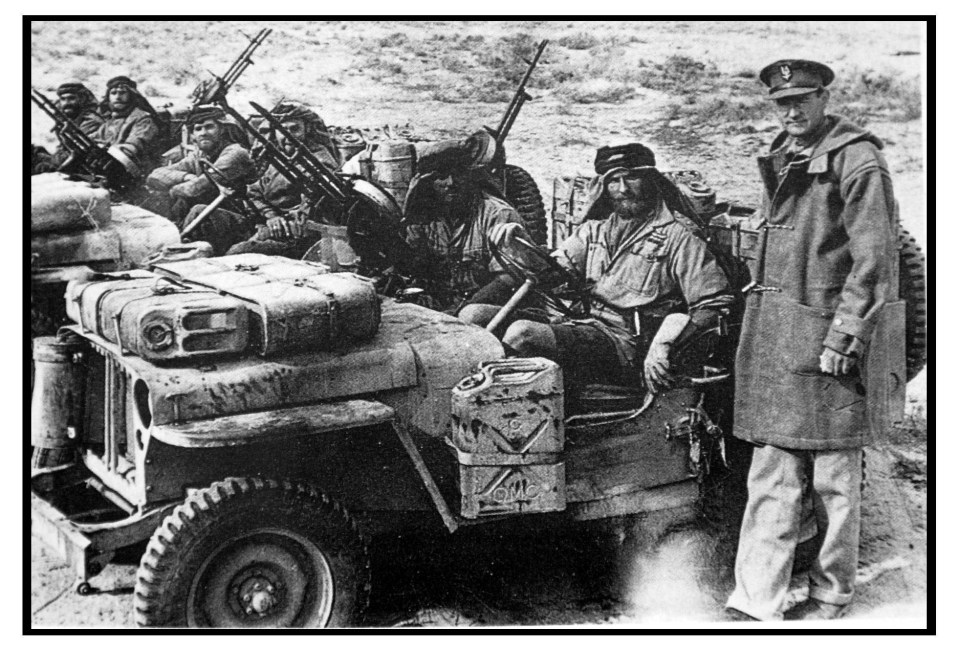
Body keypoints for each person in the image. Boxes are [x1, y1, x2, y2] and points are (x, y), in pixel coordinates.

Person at [724, 60, 898, 621]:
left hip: (827, 342)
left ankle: (831, 595)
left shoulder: (857, 160)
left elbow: (874, 262)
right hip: (780, 341)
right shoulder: (788, 152)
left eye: (802, 99)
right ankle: (757, 602)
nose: (792, 110)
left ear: (825, 97)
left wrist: (845, 336)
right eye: (782, 102)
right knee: (772, 474)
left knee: (833, 481)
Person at [461, 143, 734, 392]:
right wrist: (518, 245)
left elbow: (714, 303)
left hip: (623, 343)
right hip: (575, 320)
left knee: (523, 334)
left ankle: (514, 412)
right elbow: (552, 274)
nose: (623, 188)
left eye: (632, 177)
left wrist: (663, 346)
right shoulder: (595, 230)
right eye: (614, 180)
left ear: (651, 180)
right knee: (473, 315)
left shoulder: (679, 236)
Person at [401, 138, 525, 313]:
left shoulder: (498, 215)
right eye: (442, 176)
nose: (451, 183)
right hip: (444, 307)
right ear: (429, 182)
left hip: (490, 311)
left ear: (470, 175)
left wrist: (459, 312)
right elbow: (415, 267)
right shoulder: (423, 217)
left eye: (458, 173)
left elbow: (508, 280)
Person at [224, 102, 344, 259]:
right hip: (266, 220)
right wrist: (271, 216)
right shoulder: (278, 158)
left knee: (238, 252)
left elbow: (313, 210)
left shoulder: (320, 162)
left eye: (295, 129)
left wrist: (278, 223)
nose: (288, 136)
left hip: (296, 236)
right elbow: (254, 192)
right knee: (202, 214)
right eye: (282, 130)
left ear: (307, 129)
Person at [146, 105, 255, 228]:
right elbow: (155, 175)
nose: (203, 133)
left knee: (197, 210)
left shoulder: (235, 153)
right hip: (214, 215)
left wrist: (173, 190)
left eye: (209, 127)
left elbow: (195, 189)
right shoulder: (199, 155)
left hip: (242, 218)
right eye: (198, 129)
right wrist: (186, 177)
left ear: (222, 130)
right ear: (192, 135)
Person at [93, 75, 161, 178]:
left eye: (122, 92)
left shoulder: (143, 119)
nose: (118, 97)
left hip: (135, 172)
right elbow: (94, 140)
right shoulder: (110, 121)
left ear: (131, 95)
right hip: (109, 168)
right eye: (113, 93)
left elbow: (133, 146)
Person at [50, 82, 104, 169]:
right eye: (63, 99)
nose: (67, 103)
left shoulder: (91, 120)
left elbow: (79, 151)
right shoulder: (70, 118)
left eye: (71, 98)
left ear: (82, 99)